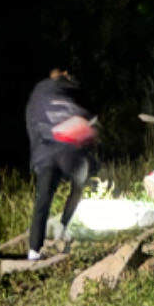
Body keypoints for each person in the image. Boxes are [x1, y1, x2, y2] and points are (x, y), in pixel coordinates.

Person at [24, 69, 97, 260]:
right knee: (65, 189)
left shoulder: (55, 95)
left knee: (45, 198)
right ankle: (56, 231)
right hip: (60, 154)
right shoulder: (52, 92)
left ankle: (37, 247)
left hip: (53, 154)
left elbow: (34, 121)